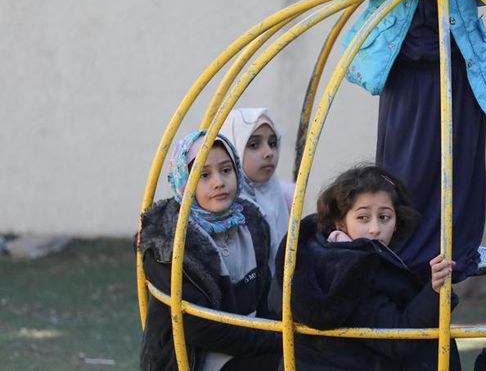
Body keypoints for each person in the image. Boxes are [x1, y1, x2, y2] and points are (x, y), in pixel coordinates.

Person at [328, 0, 486, 283]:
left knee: (457, 162)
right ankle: (402, 248)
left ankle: (455, 249)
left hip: (456, 74)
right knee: (406, 165)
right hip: (407, 77)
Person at [277, 165, 460, 371]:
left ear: (396, 222)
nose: (375, 229)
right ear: (340, 223)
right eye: (363, 217)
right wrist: (433, 292)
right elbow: (396, 339)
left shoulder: (323, 251)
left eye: (384, 217)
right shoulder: (357, 270)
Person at [138, 131, 281, 371]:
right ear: (183, 181)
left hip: (247, 343)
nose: (218, 182)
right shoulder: (168, 243)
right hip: (195, 358)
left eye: (226, 170)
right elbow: (199, 328)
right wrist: (275, 340)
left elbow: (265, 295)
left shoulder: (252, 222)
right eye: (204, 175)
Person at [220, 107, 293, 311]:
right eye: (253, 144)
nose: (268, 153)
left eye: (272, 143)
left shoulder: (281, 194)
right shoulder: (224, 209)